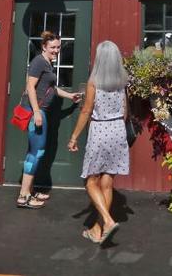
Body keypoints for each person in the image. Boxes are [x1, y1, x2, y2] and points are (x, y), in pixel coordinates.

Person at [67, 40, 129, 244]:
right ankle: (97, 230)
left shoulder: (94, 81)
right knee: (107, 183)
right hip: (118, 130)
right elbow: (125, 113)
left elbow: (86, 110)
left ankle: (108, 221)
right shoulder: (122, 81)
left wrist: (74, 136)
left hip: (100, 130)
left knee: (90, 181)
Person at [16, 31, 83, 209]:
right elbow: (30, 87)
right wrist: (37, 112)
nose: (56, 50)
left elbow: (52, 88)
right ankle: (24, 196)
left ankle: (29, 191)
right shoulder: (39, 61)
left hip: (39, 111)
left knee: (34, 151)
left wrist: (70, 96)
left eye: (58, 47)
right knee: (36, 152)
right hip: (35, 111)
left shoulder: (47, 63)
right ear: (44, 47)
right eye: (52, 47)